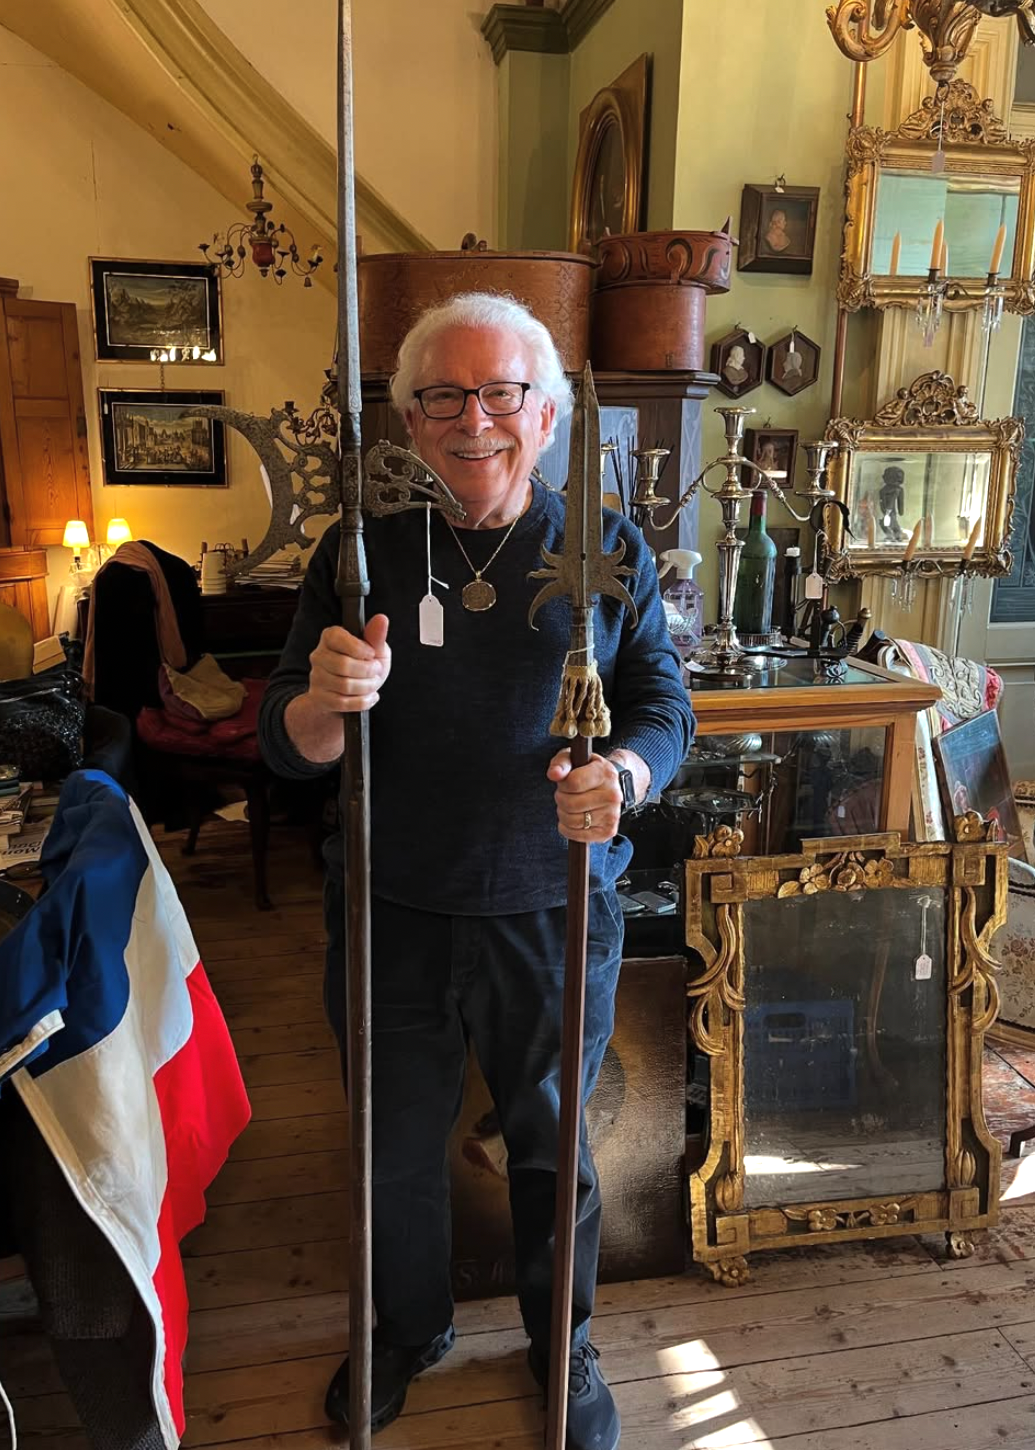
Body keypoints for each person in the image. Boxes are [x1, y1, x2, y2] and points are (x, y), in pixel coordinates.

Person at [259, 292, 695, 1450]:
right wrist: (322, 702)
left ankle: (566, 1340)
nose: (475, 419)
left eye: (502, 393)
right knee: (391, 1149)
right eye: (443, 395)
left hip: (551, 910)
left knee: (555, 1152)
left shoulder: (605, 553)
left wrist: (631, 780)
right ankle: (408, 1327)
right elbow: (283, 743)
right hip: (390, 908)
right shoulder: (363, 557)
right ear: (408, 421)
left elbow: (664, 708)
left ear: (545, 415)